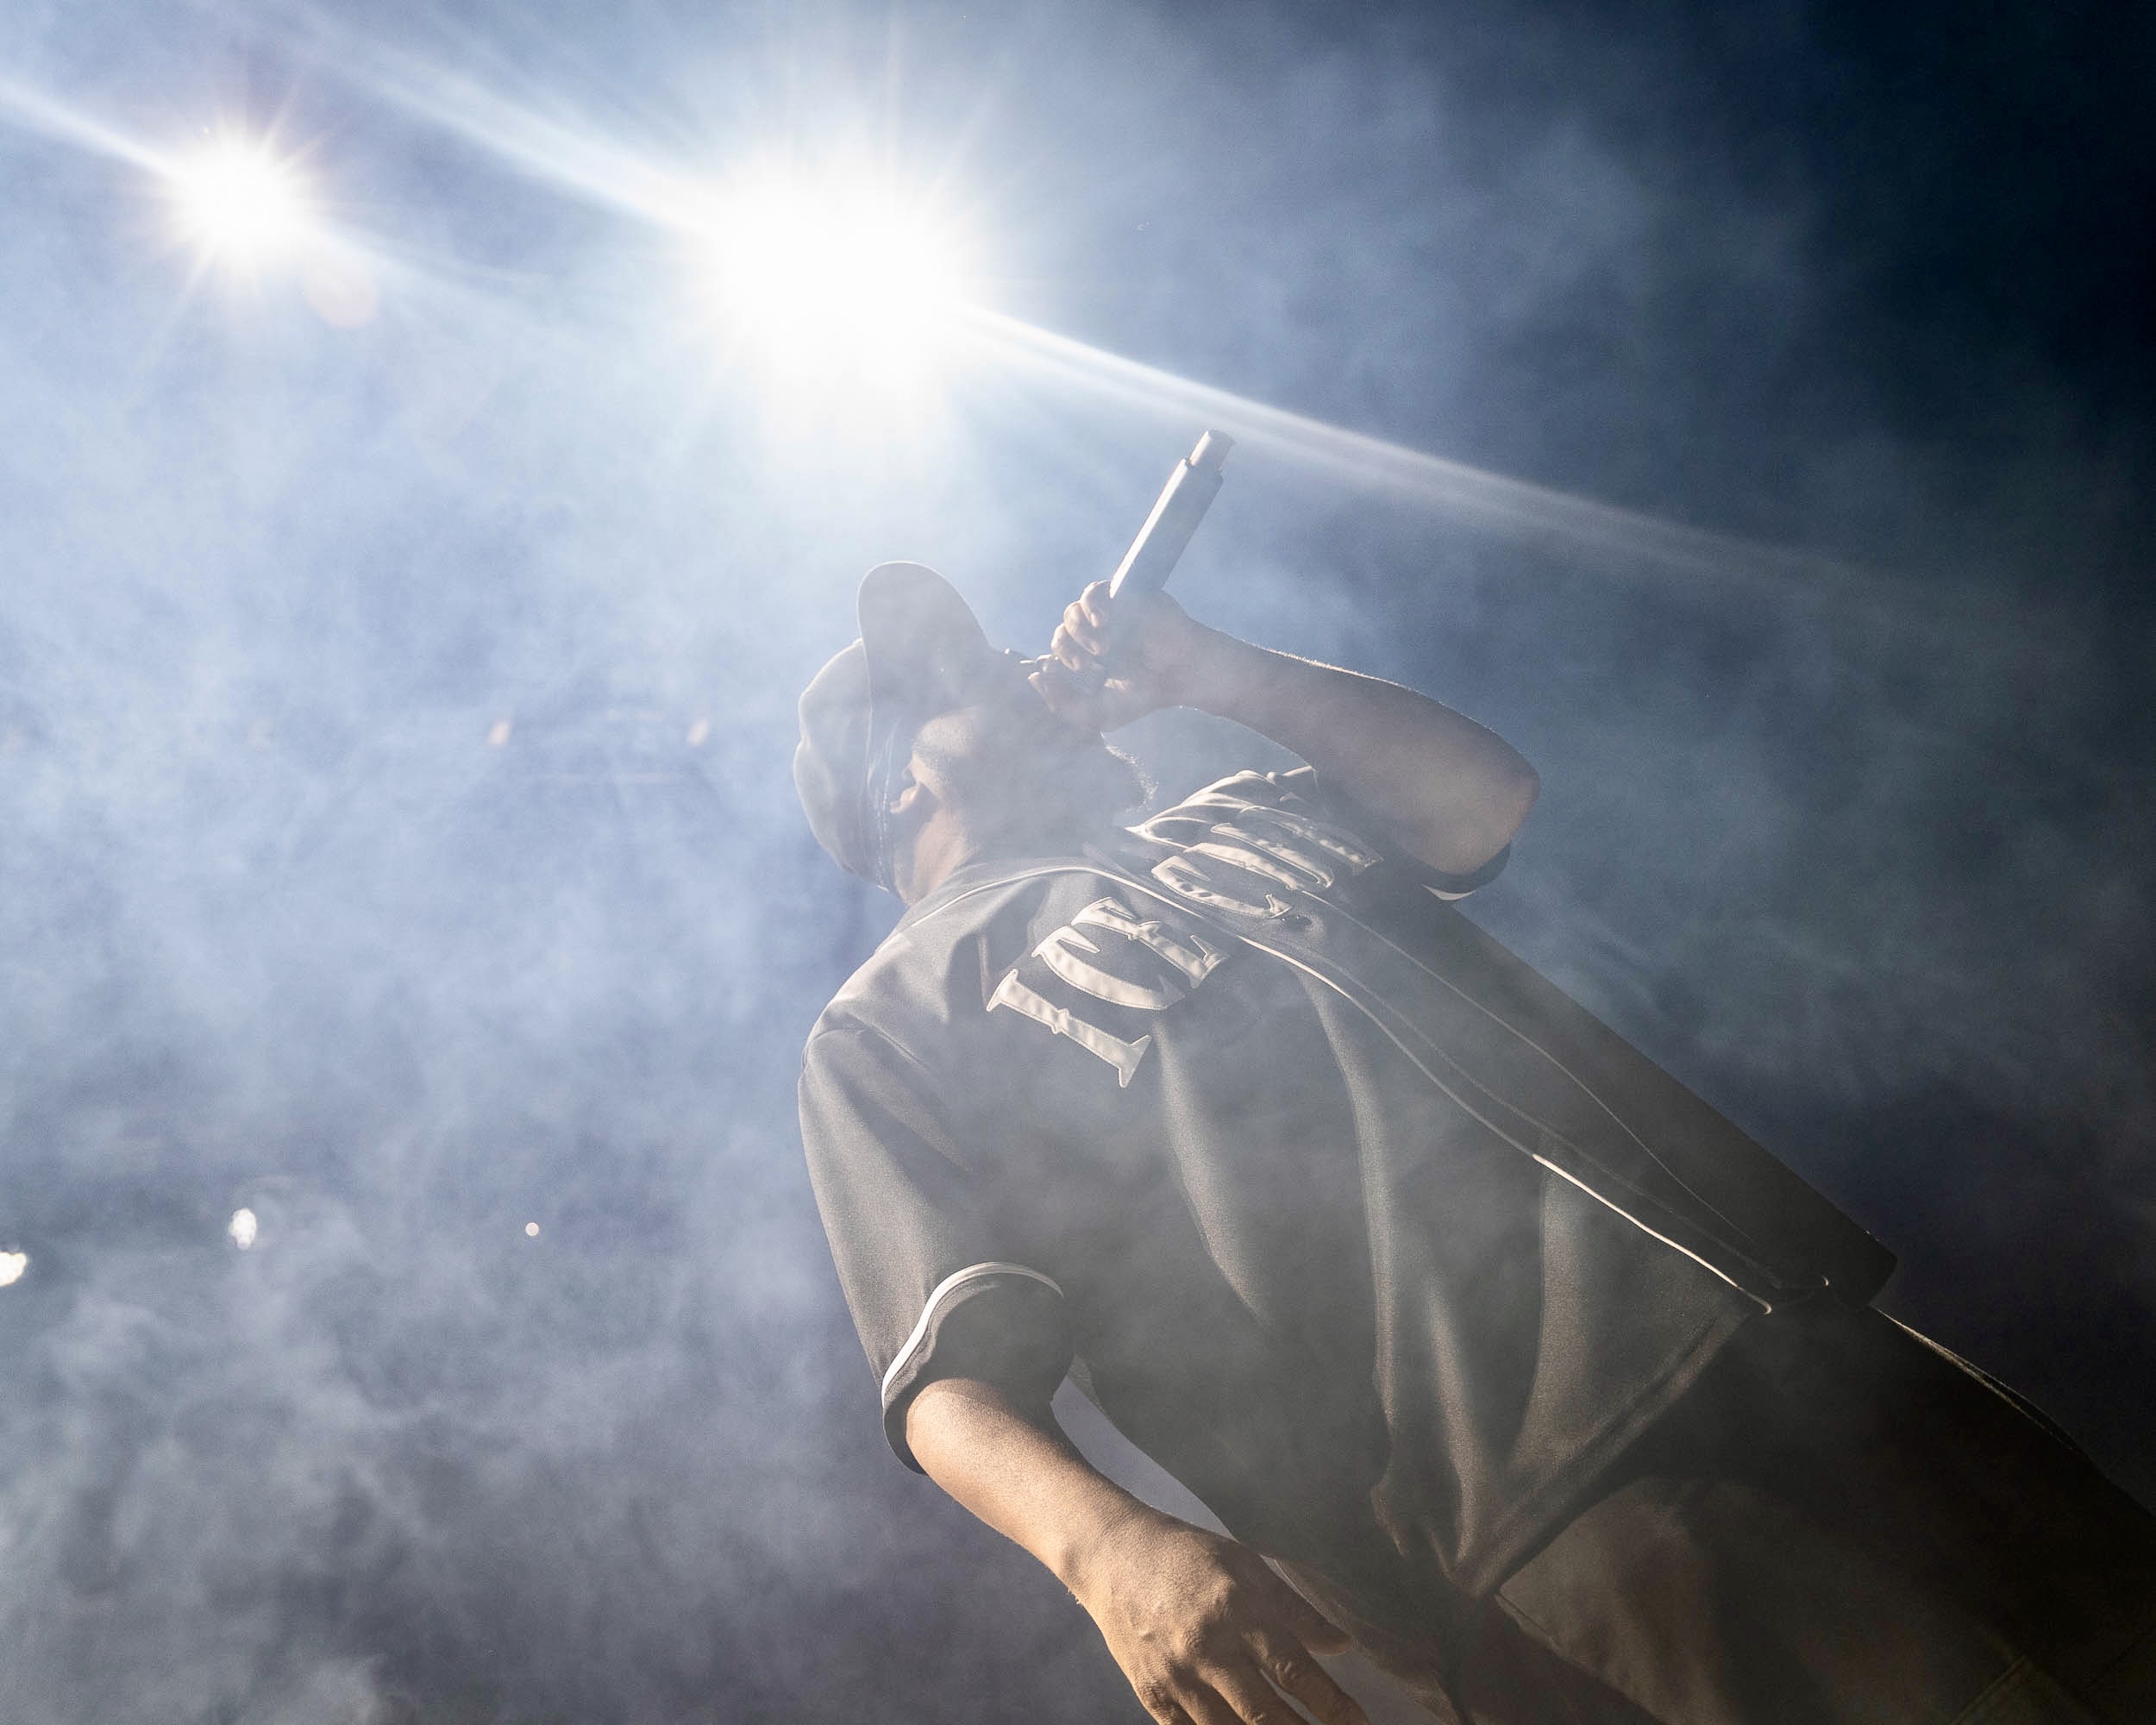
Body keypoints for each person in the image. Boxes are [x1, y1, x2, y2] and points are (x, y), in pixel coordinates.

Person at [793, 561, 2156, 1724]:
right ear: (897, 784)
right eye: (965, 674)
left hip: (1789, 1327)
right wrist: (1109, 1556)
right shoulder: (891, 1021)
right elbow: (943, 1366)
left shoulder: (1230, 812)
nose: (1020, 663)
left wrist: (1214, 669)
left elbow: (1481, 798)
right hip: (1547, 1505)